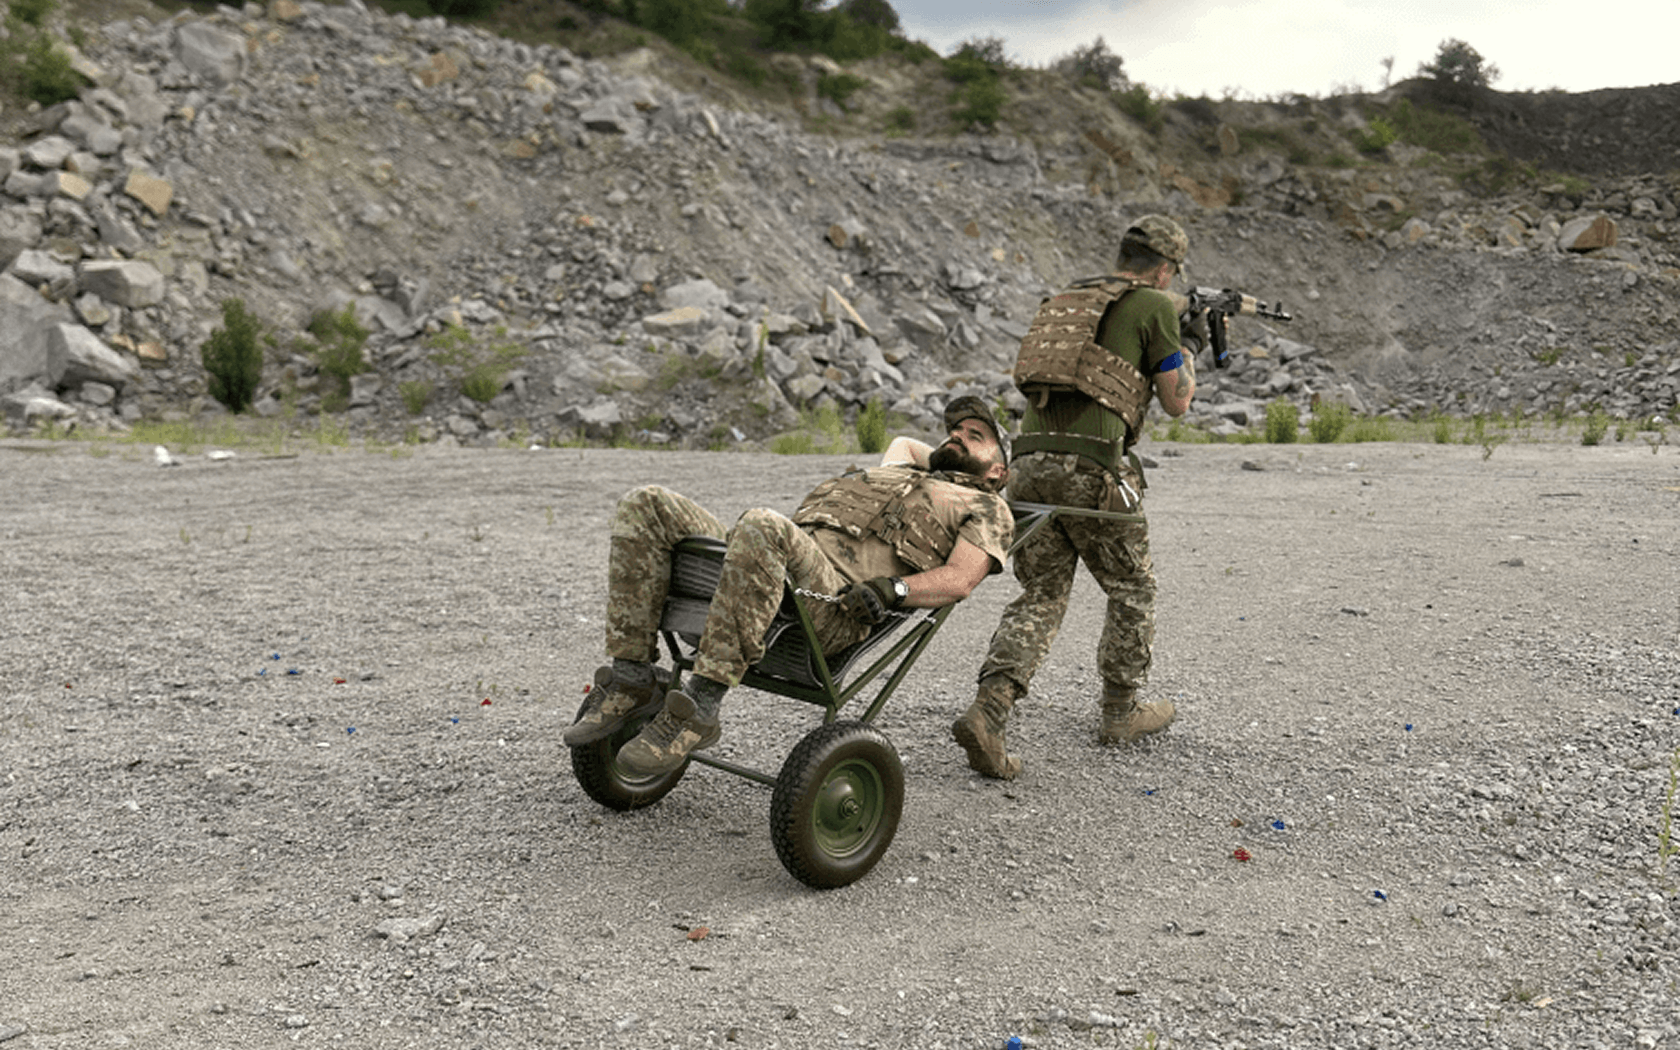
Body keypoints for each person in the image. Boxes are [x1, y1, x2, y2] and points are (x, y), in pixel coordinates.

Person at [564, 397, 1015, 777]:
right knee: (647, 503)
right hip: (771, 568)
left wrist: (894, 590)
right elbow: (907, 445)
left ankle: (700, 707)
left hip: (832, 606)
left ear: (998, 473)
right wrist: (954, 453)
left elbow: (959, 579)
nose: (957, 436)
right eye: (954, 430)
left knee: (764, 523)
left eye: (975, 437)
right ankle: (631, 678)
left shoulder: (987, 506)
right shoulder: (901, 470)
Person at [952, 215, 1204, 780]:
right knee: (1132, 585)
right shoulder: (1156, 306)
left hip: (1029, 465)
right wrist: (1188, 347)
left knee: (1041, 593)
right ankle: (1120, 711)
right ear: (1164, 269)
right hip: (1092, 466)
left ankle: (990, 709)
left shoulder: (1069, 298)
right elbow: (1177, 401)